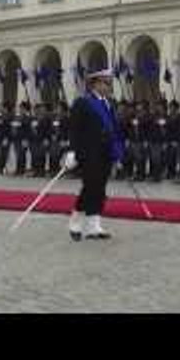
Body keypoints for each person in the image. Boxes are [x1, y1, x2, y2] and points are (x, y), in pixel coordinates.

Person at [67, 68, 125, 241]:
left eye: (109, 83)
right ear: (95, 84)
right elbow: (74, 129)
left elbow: (114, 130)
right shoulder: (83, 102)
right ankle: (75, 221)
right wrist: (72, 151)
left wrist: (118, 154)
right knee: (89, 187)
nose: (108, 86)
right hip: (89, 153)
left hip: (105, 153)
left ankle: (94, 226)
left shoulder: (108, 103)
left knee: (100, 189)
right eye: (106, 83)